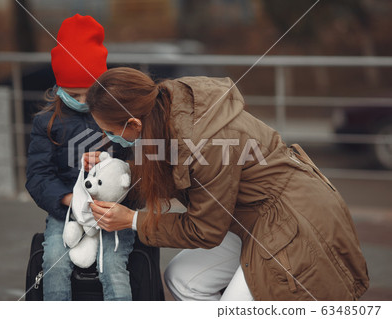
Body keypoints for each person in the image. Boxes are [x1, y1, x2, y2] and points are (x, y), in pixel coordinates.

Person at [87, 67, 370, 301]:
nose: (110, 139)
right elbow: (163, 171)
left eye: (111, 132)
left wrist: (134, 221)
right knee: (183, 279)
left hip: (292, 224)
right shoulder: (165, 107)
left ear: (135, 124)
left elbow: (204, 230)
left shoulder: (206, 144)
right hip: (249, 218)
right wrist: (110, 169)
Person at [25, 15, 135, 301]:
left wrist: (113, 154)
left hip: (112, 212)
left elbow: (136, 163)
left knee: (113, 266)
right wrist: (69, 202)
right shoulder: (46, 123)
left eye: (92, 94)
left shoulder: (116, 116)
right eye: (75, 94)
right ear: (60, 88)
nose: (84, 102)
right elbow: (38, 176)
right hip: (66, 213)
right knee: (53, 262)